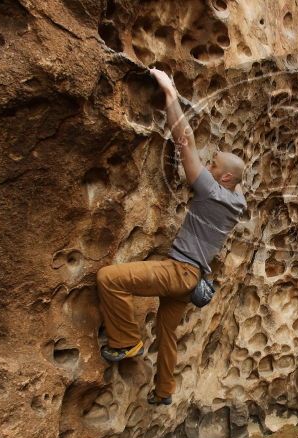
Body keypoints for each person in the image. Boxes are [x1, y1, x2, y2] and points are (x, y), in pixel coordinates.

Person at [96, 68, 247, 406]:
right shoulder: (237, 200)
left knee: (109, 279)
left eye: (212, 165)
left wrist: (170, 94)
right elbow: (238, 174)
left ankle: (125, 341)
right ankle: (164, 390)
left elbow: (185, 141)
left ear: (222, 178)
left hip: (178, 272)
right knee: (167, 334)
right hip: (193, 280)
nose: (205, 166)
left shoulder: (211, 191)